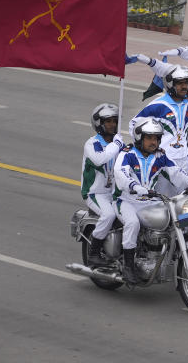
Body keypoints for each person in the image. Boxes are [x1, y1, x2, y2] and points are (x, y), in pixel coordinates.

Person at [114, 117, 188, 283]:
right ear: (139, 137)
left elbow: (176, 172)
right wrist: (135, 186)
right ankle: (128, 266)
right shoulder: (127, 154)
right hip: (128, 201)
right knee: (133, 224)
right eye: (149, 138)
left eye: (156, 138)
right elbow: (121, 174)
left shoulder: (160, 157)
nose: (154, 142)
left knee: (173, 218)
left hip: (151, 201)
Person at [131, 65, 188, 166]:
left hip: (184, 159)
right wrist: (144, 149)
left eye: (186, 83)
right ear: (170, 84)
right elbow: (134, 124)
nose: (184, 87)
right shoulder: (158, 105)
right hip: (162, 160)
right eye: (180, 83)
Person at [80, 103, 124, 267]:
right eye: (108, 121)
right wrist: (117, 145)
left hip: (114, 193)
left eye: (115, 121)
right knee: (109, 215)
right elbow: (100, 158)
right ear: (99, 124)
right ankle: (94, 253)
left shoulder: (117, 143)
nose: (112, 125)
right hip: (95, 193)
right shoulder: (92, 144)